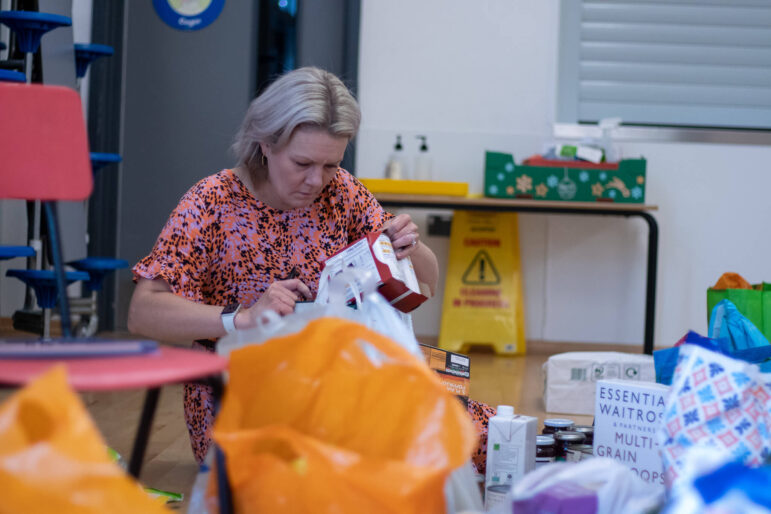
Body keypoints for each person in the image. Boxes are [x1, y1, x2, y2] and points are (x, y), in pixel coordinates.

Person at [127, 67, 439, 463]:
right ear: (265, 144)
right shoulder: (211, 202)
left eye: (330, 165)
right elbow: (143, 312)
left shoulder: (342, 192)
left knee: (453, 423)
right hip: (242, 399)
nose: (317, 181)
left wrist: (410, 247)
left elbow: (428, 285)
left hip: (334, 383)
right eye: (303, 163)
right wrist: (241, 318)